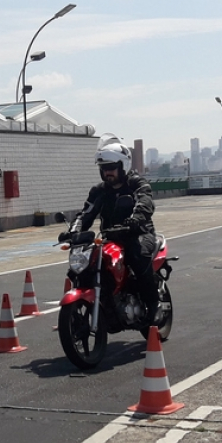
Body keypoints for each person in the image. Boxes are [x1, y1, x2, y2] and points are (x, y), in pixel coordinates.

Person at [63, 134, 160, 327]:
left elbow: (145, 202)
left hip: (139, 233)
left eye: (111, 168)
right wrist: (74, 231)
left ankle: (153, 305)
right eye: (103, 169)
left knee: (137, 254)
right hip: (110, 238)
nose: (107, 173)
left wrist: (136, 219)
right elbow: (86, 213)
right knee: (82, 266)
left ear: (123, 165)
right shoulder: (99, 191)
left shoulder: (137, 184)